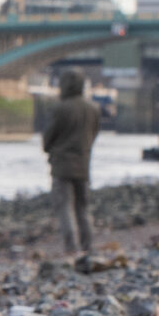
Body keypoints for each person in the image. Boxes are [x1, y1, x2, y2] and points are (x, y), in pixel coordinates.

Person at [41, 70, 100, 255]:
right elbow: (94, 134)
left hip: (62, 165)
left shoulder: (60, 108)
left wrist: (50, 148)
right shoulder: (93, 109)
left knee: (65, 206)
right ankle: (87, 245)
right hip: (83, 164)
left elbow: (49, 137)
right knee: (83, 207)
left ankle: (70, 246)